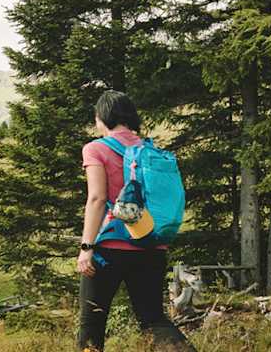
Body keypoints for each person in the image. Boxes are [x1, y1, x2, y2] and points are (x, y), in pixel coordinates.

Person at [77, 90, 194, 351]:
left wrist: (86, 248)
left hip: (110, 248)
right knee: (153, 319)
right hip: (151, 245)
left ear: (102, 117)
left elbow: (96, 199)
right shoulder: (150, 150)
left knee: (91, 323)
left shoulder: (95, 148)